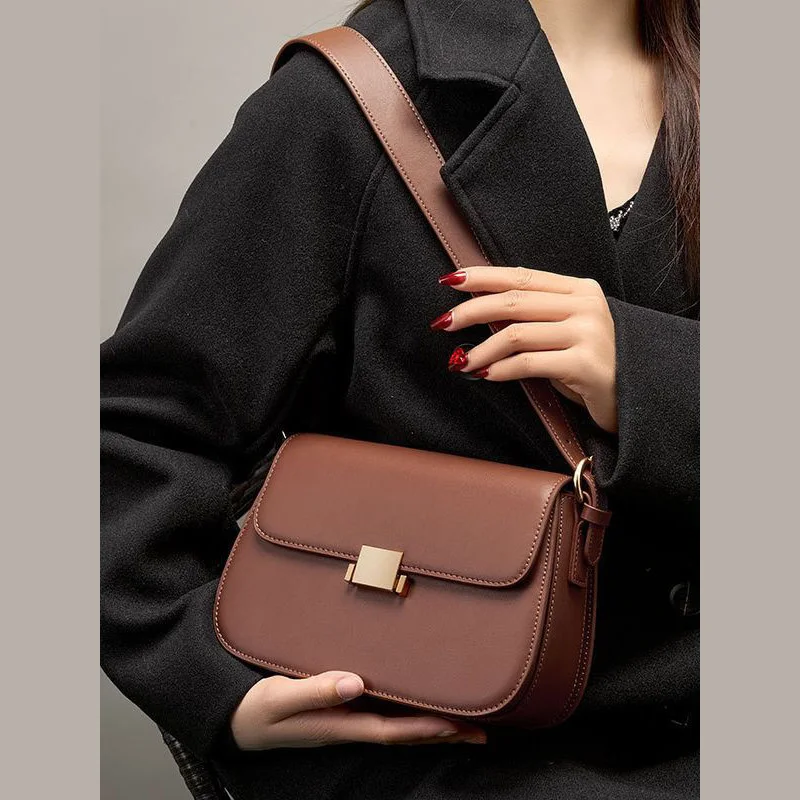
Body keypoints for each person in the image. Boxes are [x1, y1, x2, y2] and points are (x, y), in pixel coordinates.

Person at [100, 0, 700, 797]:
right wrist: (215, 681)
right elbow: (136, 430)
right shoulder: (351, 97)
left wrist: (647, 372)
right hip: (451, 756)